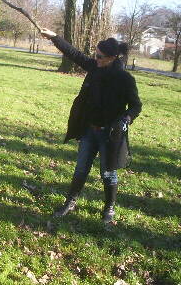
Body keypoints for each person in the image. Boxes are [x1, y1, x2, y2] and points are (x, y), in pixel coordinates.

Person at [40, 29, 142, 223]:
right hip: (89, 131)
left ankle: (109, 208)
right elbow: (74, 54)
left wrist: (125, 119)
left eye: (99, 56)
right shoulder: (95, 68)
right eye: (95, 55)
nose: (95, 58)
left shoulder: (125, 79)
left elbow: (136, 106)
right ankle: (70, 202)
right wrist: (54, 37)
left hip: (110, 135)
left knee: (108, 173)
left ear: (112, 58)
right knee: (80, 169)